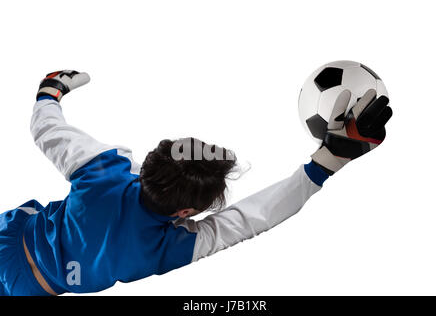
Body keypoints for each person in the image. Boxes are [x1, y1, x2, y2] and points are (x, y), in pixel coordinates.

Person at [0, 70, 392, 296]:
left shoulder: (104, 170)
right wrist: (325, 164)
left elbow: (45, 128)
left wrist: (50, 90)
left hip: (9, 235)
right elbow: (254, 218)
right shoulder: (166, 249)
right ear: (186, 212)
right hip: (32, 290)